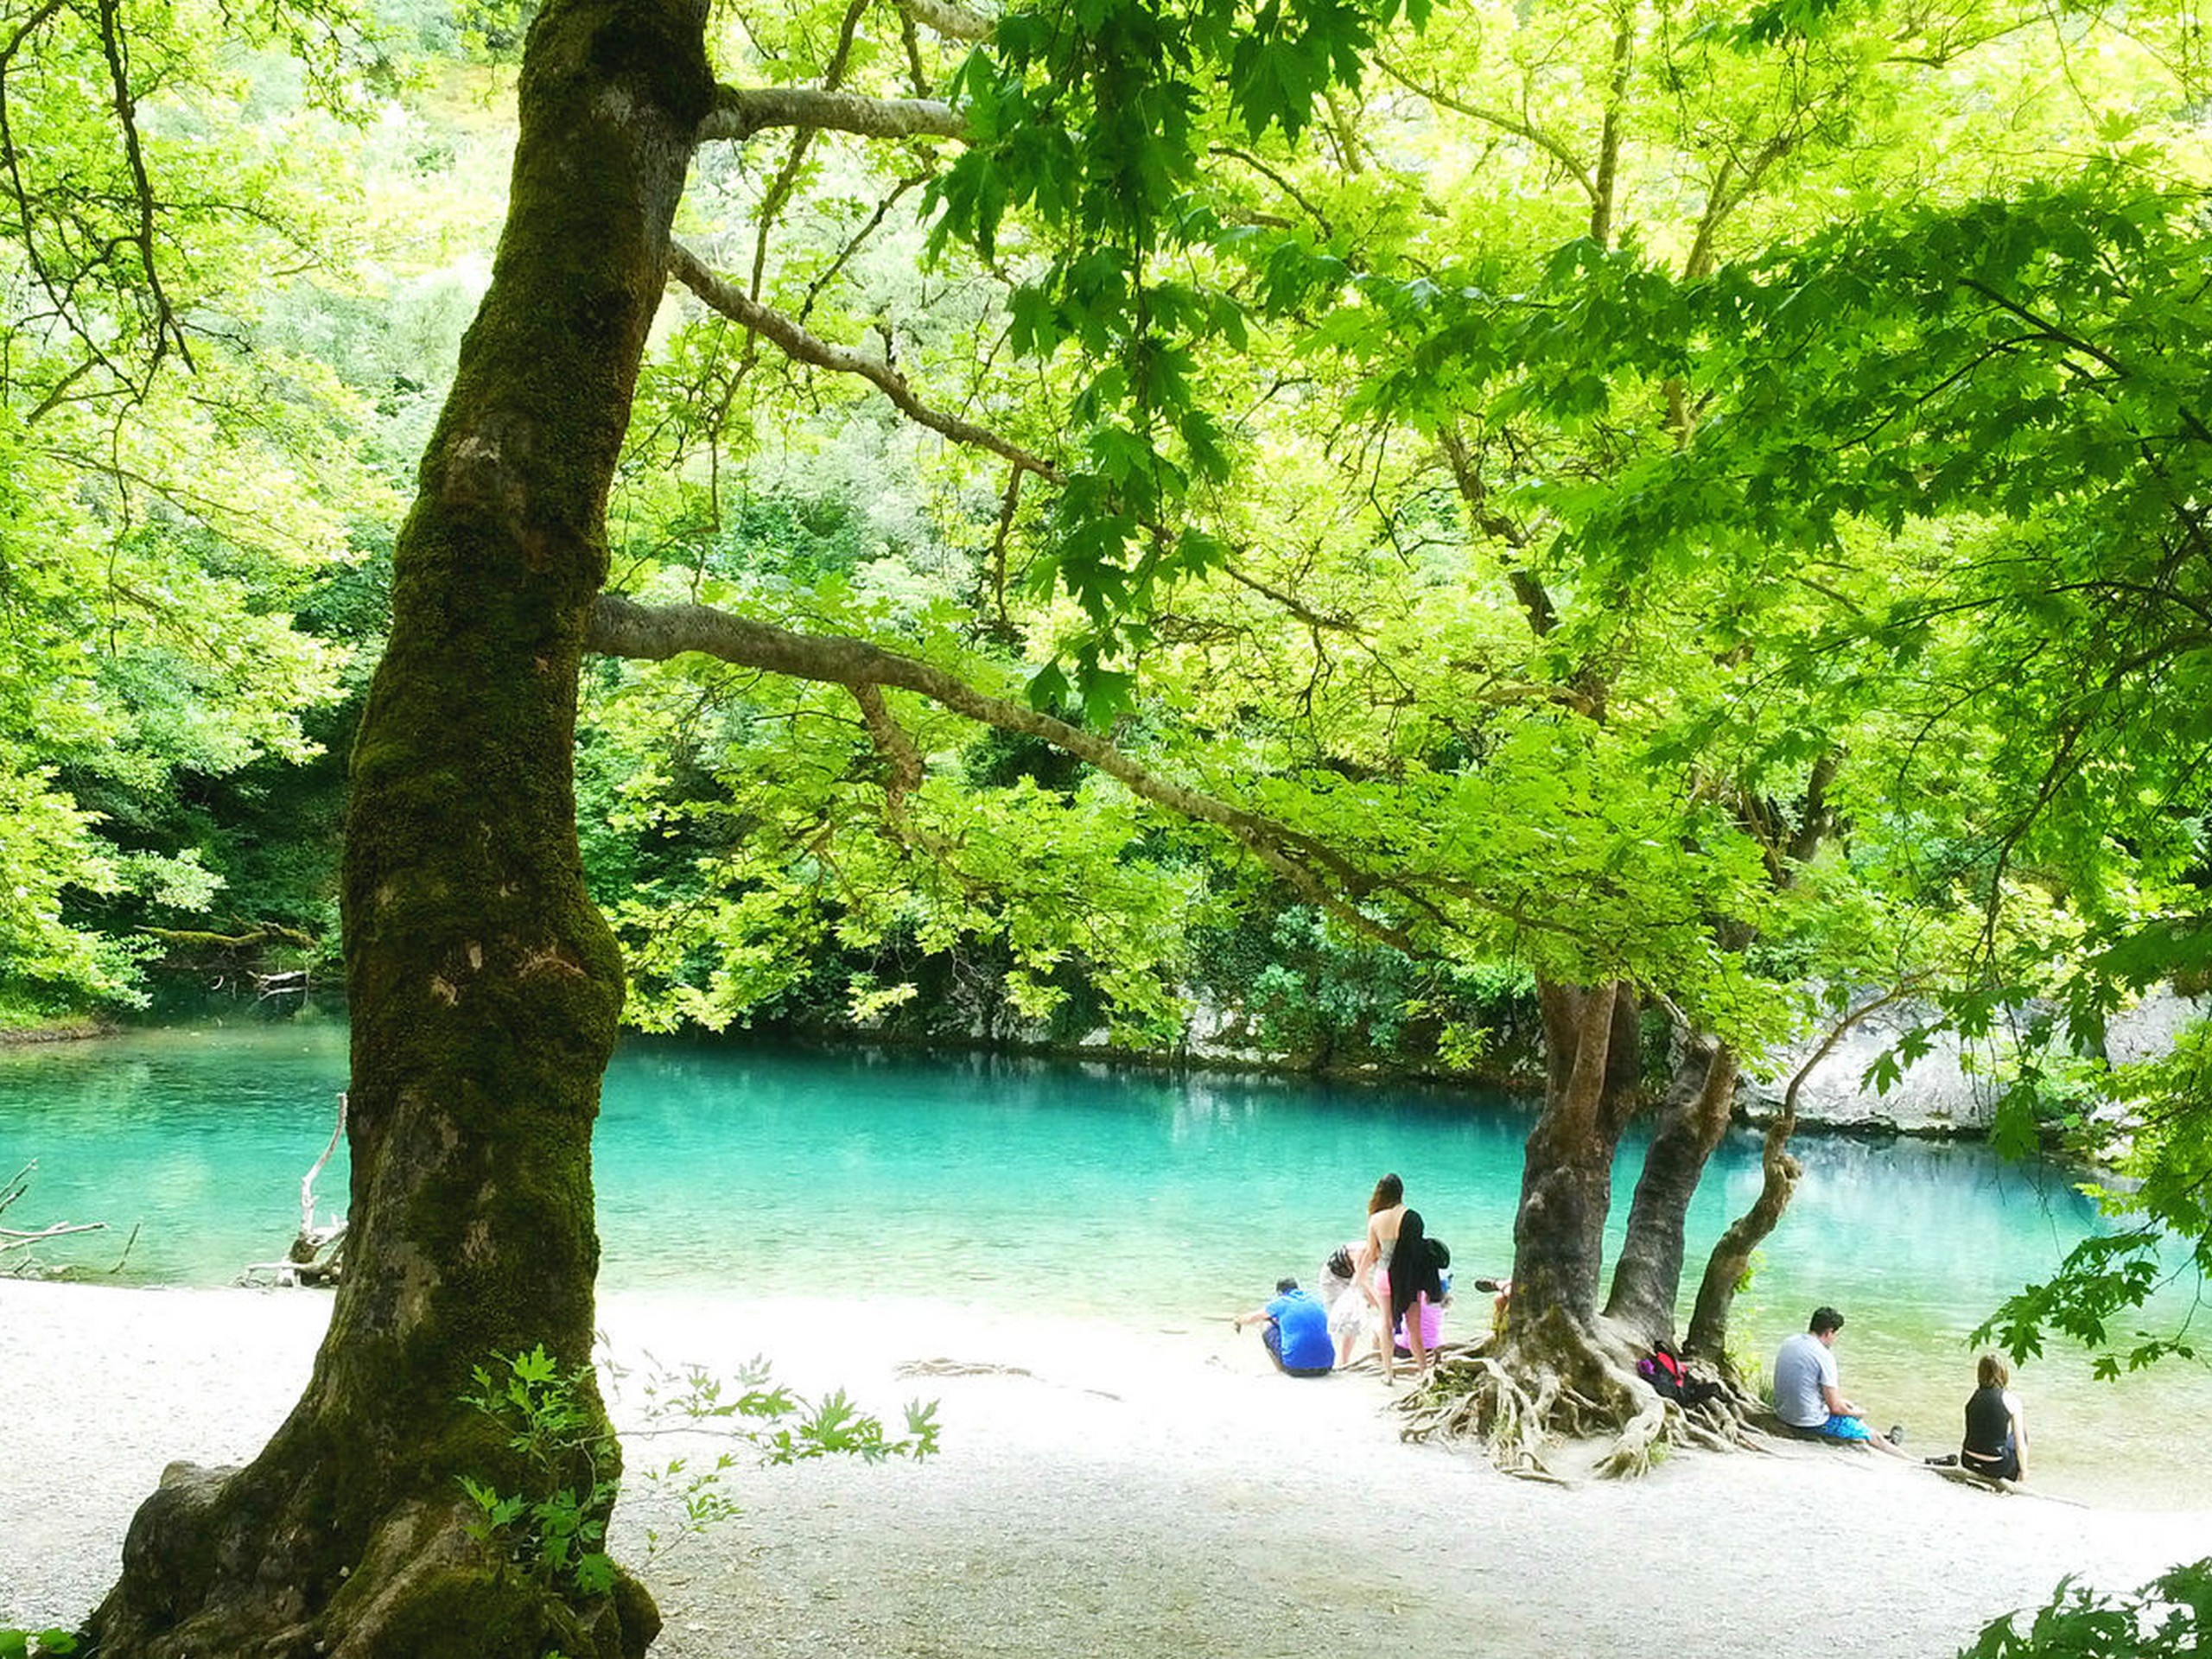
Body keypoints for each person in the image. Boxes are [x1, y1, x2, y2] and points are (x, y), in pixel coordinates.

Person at [1770, 1306, 1911, 1459]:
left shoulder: (1790, 1342)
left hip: (1783, 1413)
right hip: (1808, 1422)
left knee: (1846, 1405)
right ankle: (1917, 1461)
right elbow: (1836, 1408)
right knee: (1868, 1430)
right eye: (1835, 1334)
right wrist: (1857, 1413)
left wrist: (1846, 1407)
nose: (1834, 1339)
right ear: (1829, 1332)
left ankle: (1882, 1439)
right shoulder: (1823, 1355)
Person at [1353, 1173, 1408, 1379]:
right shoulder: (1407, 1216)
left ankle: (1388, 1372)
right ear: (1401, 1193)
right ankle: (1421, 1367)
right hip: (1405, 1275)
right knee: (1411, 1319)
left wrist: (1358, 1276)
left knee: (1385, 1321)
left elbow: (1371, 1252)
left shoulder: (1375, 1219)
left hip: (1384, 1274)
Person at [1387, 1207, 1446, 1382]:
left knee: (1384, 1325)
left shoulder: (1396, 1256)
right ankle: (1423, 1371)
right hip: (1434, 1344)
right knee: (1415, 1331)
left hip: (1392, 1285)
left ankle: (1387, 1370)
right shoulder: (1424, 1253)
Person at [1233, 1276, 1334, 1376]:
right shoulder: (1316, 1301)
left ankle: (1281, 1371)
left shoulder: (1280, 1303)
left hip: (1296, 1369)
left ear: (1280, 1293)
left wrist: (1237, 1320)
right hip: (1326, 1367)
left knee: (1265, 1323)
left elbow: (1251, 1318)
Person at [1959, 1351, 2028, 1482]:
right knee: (2020, 1434)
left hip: (1968, 1461)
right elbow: (2020, 1446)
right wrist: (2024, 1471)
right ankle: (2016, 1478)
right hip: (1997, 1467)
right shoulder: (2012, 1400)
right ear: (2003, 1374)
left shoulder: (1973, 1397)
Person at [1319, 1243, 1370, 1369]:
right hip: (1331, 1278)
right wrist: (1376, 1303)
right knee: (1334, 1316)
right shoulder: (1361, 1251)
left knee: (1354, 1320)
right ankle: (1325, 1355)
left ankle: (1344, 1362)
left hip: (1349, 1277)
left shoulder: (1380, 1255)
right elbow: (1361, 1280)